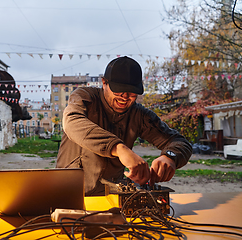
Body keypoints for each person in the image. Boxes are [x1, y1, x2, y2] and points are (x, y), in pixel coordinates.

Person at [56, 56, 192, 196]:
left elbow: (180, 142)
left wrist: (170, 157)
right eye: (119, 90)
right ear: (104, 83)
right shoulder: (85, 97)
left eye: (132, 92)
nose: (125, 97)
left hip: (112, 197)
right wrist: (119, 149)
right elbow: (71, 122)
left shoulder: (139, 115)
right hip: (69, 193)